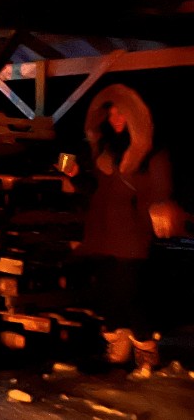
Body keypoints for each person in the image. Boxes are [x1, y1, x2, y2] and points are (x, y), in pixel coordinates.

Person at [67, 84, 174, 376]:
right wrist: (75, 176)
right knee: (109, 293)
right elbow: (93, 189)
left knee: (131, 292)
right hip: (101, 231)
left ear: (134, 116)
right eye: (111, 113)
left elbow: (160, 188)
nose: (115, 118)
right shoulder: (103, 149)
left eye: (121, 113)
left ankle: (145, 349)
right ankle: (118, 347)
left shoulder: (151, 151)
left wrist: (160, 207)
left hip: (133, 233)